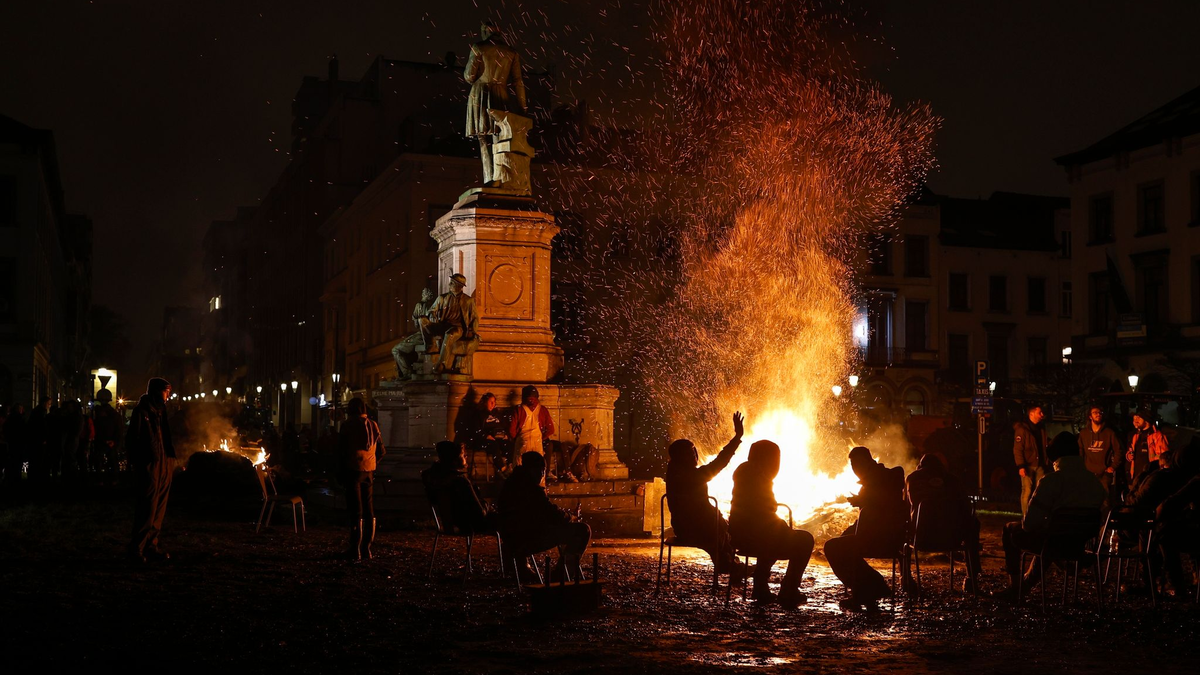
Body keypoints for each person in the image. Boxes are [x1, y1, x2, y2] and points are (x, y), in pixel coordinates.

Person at [999, 432, 1106, 600]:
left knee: (1013, 529)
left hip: (1053, 541)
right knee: (1054, 535)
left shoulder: (1051, 481)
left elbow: (1029, 524)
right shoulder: (1094, 483)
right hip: (1078, 544)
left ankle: (1015, 586)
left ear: (1055, 456)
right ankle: (1046, 573)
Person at [728, 440, 814, 608]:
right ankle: (789, 588)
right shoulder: (758, 475)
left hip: (741, 533)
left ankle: (760, 584)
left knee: (775, 533)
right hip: (755, 534)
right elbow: (768, 507)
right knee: (804, 540)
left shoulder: (744, 471)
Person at [665, 412, 747, 580]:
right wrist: (737, 438)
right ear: (681, 458)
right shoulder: (688, 477)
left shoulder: (674, 472)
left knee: (721, 526)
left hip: (686, 526)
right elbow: (718, 464)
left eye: (694, 451)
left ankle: (730, 563)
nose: (695, 456)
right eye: (690, 453)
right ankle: (728, 564)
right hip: (695, 529)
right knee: (725, 529)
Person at [824, 446, 908, 610]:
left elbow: (883, 503)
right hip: (871, 534)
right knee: (840, 544)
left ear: (868, 461)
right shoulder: (870, 482)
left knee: (833, 547)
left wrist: (863, 501)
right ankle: (866, 589)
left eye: (857, 465)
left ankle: (872, 586)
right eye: (853, 466)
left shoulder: (891, 475)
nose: (855, 470)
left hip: (883, 536)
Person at [496, 451, 590, 578]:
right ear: (536, 470)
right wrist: (570, 517)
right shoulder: (531, 489)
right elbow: (551, 514)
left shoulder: (510, 483)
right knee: (583, 530)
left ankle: (522, 566)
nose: (543, 475)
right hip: (528, 538)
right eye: (543, 470)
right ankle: (561, 574)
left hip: (511, 537)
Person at [905, 452, 981, 592]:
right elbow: (967, 508)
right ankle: (972, 577)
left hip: (922, 538)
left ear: (920, 467)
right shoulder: (953, 479)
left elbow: (905, 507)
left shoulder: (912, 478)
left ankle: (906, 578)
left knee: (902, 526)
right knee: (973, 523)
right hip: (952, 538)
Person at [463, 20, 527, 186]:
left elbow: (469, 76)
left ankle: (489, 177)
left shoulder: (478, 48)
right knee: (501, 137)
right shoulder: (511, 52)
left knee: (484, 138)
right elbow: (518, 82)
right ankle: (501, 177)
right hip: (502, 95)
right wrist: (523, 108)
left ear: (485, 31)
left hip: (481, 94)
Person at [126, 378, 176, 563]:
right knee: (147, 508)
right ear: (156, 391)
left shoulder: (161, 411)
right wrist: (139, 464)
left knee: (159, 510)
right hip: (150, 465)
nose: (168, 395)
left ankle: (151, 546)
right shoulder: (142, 412)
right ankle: (136, 549)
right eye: (166, 391)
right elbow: (133, 439)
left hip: (164, 464)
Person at [340, 397, 385, 560]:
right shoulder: (373, 425)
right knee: (368, 509)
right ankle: (367, 548)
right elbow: (381, 450)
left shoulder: (348, 425)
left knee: (355, 510)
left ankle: (355, 548)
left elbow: (341, 449)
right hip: (369, 471)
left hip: (353, 470)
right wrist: (372, 462)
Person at [422, 440, 496, 535]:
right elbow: (479, 514)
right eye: (463, 455)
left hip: (458, 521)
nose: (466, 456)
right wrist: (486, 504)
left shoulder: (433, 477)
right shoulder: (461, 482)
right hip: (472, 524)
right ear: (454, 459)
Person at [421, 273, 480, 375]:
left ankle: (442, 364)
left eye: (452, 283)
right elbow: (431, 310)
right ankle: (430, 346)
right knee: (422, 320)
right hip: (443, 325)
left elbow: (474, 317)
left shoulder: (468, 300)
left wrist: (474, 332)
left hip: (458, 328)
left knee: (450, 334)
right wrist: (431, 315)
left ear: (459, 286)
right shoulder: (442, 298)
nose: (449, 285)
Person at [1077, 405, 1122, 504]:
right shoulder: (1084, 433)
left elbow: (1118, 450)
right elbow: (1080, 451)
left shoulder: (1109, 433)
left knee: (1104, 501)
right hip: (1088, 473)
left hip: (1104, 474)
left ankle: (1104, 519)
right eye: (1095, 412)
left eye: (1100, 413)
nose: (1098, 414)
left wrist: (1113, 467)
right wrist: (1081, 468)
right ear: (1090, 416)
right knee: (1087, 500)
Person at [1013, 404, 1049, 517]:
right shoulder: (1022, 430)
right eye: (1040, 413)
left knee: (1040, 492)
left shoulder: (1041, 428)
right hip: (1028, 465)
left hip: (1040, 465)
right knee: (1027, 491)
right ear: (1031, 414)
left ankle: (1037, 516)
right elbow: (1018, 449)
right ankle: (1026, 516)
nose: (1042, 415)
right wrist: (1021, 466)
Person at [459, 392, 508, 471]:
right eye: (490, 402)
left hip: (497, 436)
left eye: (494, 402)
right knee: (494, 445)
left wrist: (504, 434)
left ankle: (510, 465)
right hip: (483, 440)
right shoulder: (478, 414)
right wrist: (486, 436)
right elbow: (475, 429)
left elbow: (503, 425)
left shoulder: (497, 413)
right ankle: (501, 467)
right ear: (485, 402)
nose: (493, 404)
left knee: (508, 444)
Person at [509, 385, 554, 467]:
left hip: (523, 443)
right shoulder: (543, 410)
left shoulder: (518, 409)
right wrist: (541, 437)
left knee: (521, 468)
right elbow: (551, 429)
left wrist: (517, 439)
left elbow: (511, 430)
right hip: (537, 443)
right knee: (537, 470)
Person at [1126, 409, 1168, 487]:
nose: (1135, 421)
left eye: (1138, 418)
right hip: (1135, 478)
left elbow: (1164, 457)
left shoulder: (1157, 436)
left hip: (1149, 479)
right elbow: (1131, 451)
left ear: (1146, 420)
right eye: (1134, 419)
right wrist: (1128, 455)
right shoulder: (1135, 435)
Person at [91, 391, 124, 483]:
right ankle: (112, 479)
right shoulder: (114, 415)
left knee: (101, 462)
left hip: (102, 441)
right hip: (108, 441)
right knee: (111, 462)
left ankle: (102, 480)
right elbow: (119, 429)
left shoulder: (99, 414)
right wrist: (115, 441)